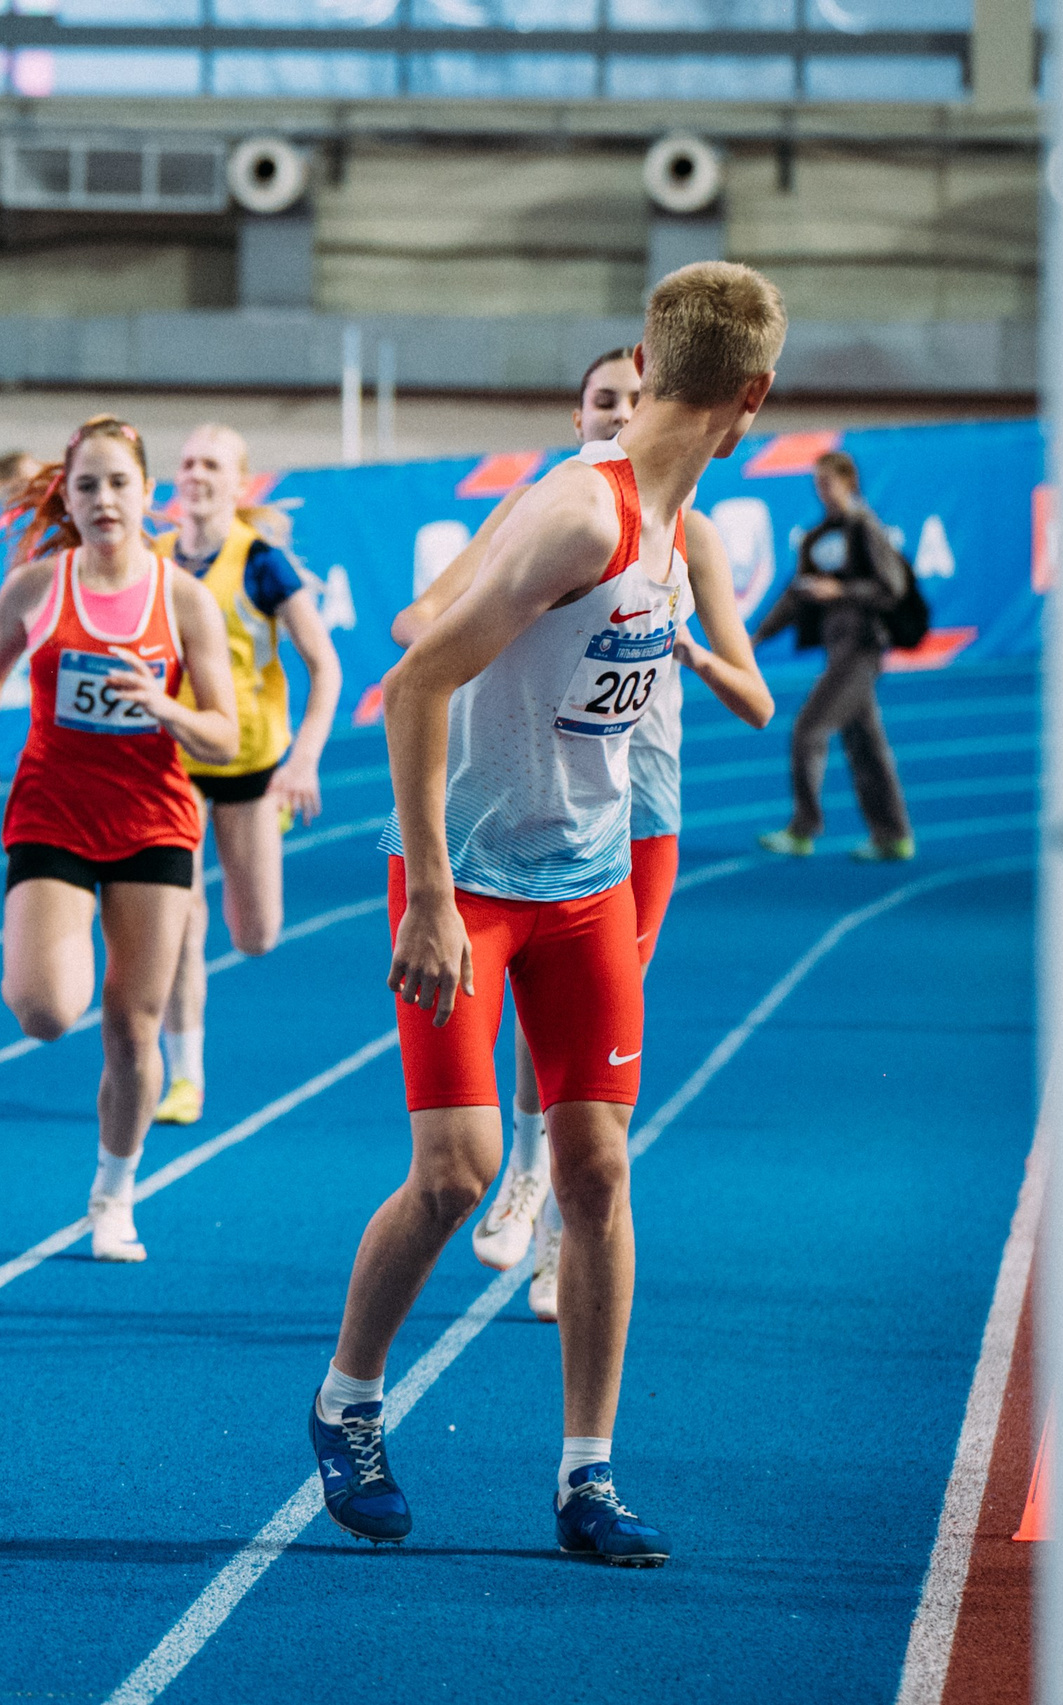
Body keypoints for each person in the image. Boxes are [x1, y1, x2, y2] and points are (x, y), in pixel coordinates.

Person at [319, 262, 788, 1567]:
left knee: (595, 1172)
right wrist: (424, 893)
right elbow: (415, 684)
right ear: (754, 396)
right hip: (469, 882)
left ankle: (589, 1476)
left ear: (657, 359)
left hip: (586, 883)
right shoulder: (585, 515)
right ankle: (348, 1402)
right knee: (460, 1170)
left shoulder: (681, 524)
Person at [394, 350, 773, 1314]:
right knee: (539, 1025)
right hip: (535, 802)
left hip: (639, 804)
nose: (620, 415)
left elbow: (759, 698)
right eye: (604, 403)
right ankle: (526, 1174)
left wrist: (678, 643)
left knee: (594, 1046)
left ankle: (566, 1223)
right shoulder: (552, 512)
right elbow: (421, 631)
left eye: (634, 401)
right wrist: (487, 638)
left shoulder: (693, 538)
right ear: (578, 418)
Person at [0, 417, 238, 1263]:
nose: (105, 499)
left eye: (119, 483)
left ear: (147, 493)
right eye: (88, 486)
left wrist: (168, 708)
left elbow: (223, 735)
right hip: (55, 809)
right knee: (44, 1009)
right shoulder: (38, 587)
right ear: (68, 500)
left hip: (154, 819)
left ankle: (114, 1192)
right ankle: (58, 958)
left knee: (132, 1028)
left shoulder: (183, 600)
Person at [148, 424, 342, 1127]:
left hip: (249, 760)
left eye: (213, 464)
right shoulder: (154, 559)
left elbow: (325, 666)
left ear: (239, 483)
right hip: (171, 760)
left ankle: (270, 823)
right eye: (188, 461)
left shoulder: (263, 563)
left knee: (255, 934)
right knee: (181, 918)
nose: (196, 474)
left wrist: (305, 758)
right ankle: (186, 1075)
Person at [753, 449, 916, 862]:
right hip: (837, 649)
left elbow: (892, 587)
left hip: (862, 649)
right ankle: (892, 837)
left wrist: (841, 591)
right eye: (817, 483)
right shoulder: (816, 537)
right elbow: (796, 595)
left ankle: (803, 829)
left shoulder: (866, 529)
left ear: (849, 482)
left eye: (828, 482)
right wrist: (757, 637)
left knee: (809, 729)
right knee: (865, 743)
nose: (821, 491)